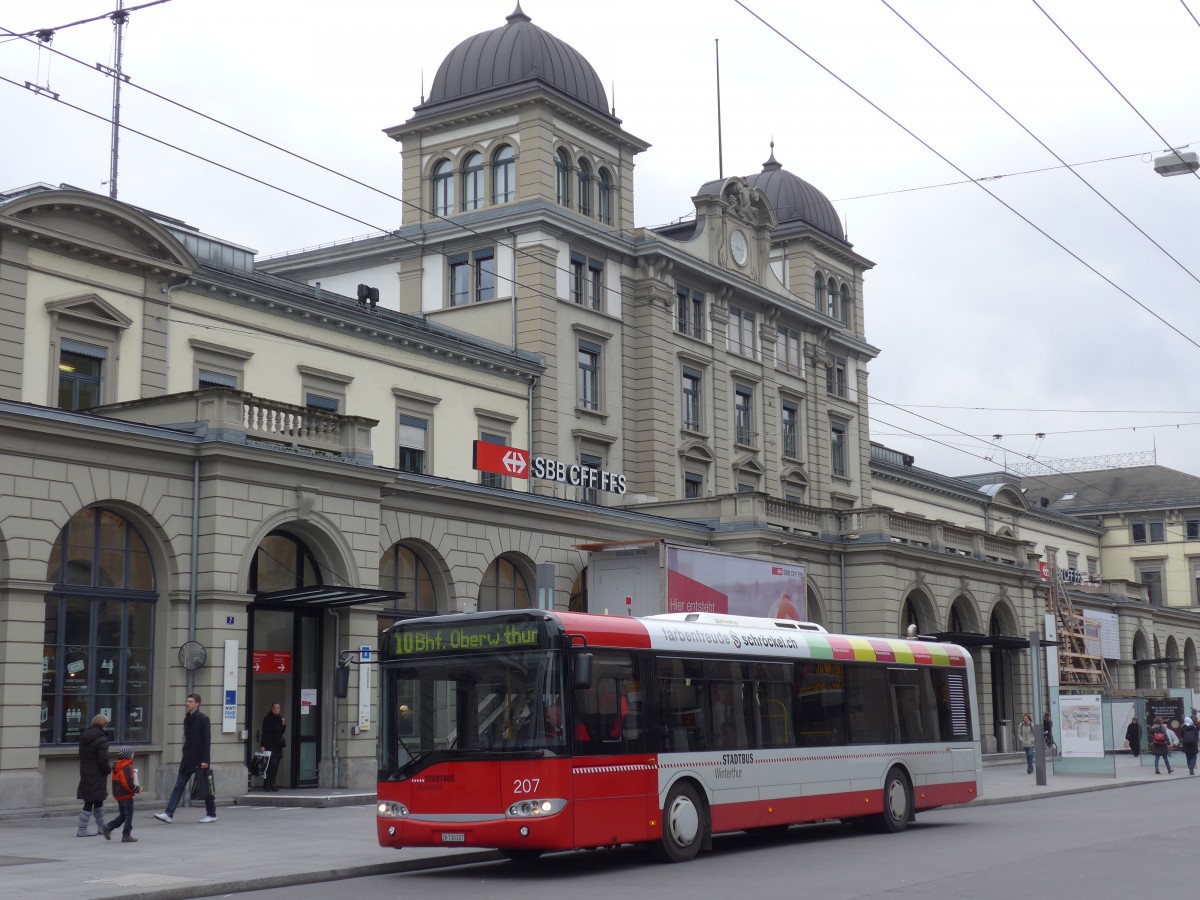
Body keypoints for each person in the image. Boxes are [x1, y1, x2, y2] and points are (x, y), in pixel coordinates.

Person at [155, 693, 217, 823]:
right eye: (187, 701)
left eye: (190, 701)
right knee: (179, 786)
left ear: (197, 704)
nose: (187, 703)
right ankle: (168, 813)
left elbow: (207, 741)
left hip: (200, 759)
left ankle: (211, 814)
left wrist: (205, 760)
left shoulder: (203, 719)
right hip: (187, 758)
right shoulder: (187, 719)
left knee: (205, 786)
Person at [76, 713, 111, 838]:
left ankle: (102, 827)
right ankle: (82, 829)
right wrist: (108, 770)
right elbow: (103, 759)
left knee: (97, 800)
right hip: (97, 773)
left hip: (86, 771)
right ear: (104, 724)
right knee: (90, 802)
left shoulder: (85, 736)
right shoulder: (101, 739)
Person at [104, 745, 141, 842]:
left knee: (123, 815)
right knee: (129, 814)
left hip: (119, 795)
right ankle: (126, 835)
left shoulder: (118, 765)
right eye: (132, 753)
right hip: (126, 795)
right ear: (128, 755)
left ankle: (108, 827)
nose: (134, 755)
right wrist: (137, 789)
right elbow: (127, 783)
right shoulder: (126, 766)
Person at [260, 701, 286, 792]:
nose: (276, 709)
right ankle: (266, 784)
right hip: (269, 744)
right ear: (272, 708)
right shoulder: (267, 719)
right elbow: (264, 732)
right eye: (274, 707)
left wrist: (283, 724)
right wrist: (262, 745)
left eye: (278, 708)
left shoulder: (280, 719)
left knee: (276, 766)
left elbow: (281, 731)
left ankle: (272, 784)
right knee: (271, 765)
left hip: (278, 745)